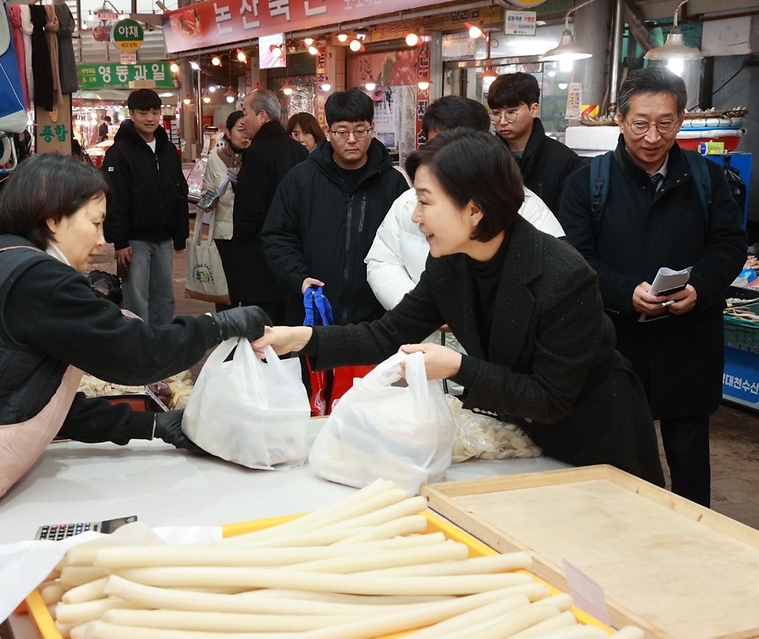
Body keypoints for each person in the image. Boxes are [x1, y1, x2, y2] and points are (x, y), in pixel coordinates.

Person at [0, 154, 271, 553]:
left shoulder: (4, 259)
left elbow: (34, 402)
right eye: (96, 222)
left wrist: (153, 424)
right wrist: (218, 325)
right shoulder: (40, 280)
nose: (102, 241)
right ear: (53, 218)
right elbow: (138, 355)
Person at [254, 128, 664, 485]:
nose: (415, 217)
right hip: (530, 436)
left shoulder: (562, 276)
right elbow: (387, 334)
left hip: (599, 436)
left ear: (474, 208)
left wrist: (457, 367)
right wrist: (296, 338)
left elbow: (551, 397)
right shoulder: (451, 263)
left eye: (425, 201)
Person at [557, 68, 747, 507]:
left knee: (690, 456)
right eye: (640, 123)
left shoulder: (705, 178)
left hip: (689, 339)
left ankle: (694, 538)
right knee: (619, 452)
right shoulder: (589, 182)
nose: (651, 136)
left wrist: (699, 286)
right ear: (620, 121)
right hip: (616, 341)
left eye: (665, 123)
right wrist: (625, 292)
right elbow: (574, 257)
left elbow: (729, 242)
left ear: (681, 121)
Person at [366, 96, 564, 317]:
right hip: (422, 341)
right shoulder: (409, 203)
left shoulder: (526, 209)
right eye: (434, 146)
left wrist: (469, 317)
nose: (440, 159)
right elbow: (382, 261)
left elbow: (545, 290)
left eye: (452, 149)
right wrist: (414, 303)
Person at [262, 88, 409, 327]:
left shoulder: (393, 183)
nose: (351, 140)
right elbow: (277, 236)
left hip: (376, 321)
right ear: (328, 132)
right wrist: (299, 278)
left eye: (360, 131)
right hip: (312, 313)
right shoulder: (301, 179)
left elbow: (407, 246)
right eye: (342, 132)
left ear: (372, 129)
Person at [101, 89, 188, 325]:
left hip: (163, 238)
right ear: (131, 114)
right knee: (136, 297)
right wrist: (120, 241)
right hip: (134, 241)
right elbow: (113, 198)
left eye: (155, 112)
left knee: (164, 296)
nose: (150, 118)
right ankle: (139, 345)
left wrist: (180, 234)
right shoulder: (119, 153)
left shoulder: (167, 150)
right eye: (143, 112)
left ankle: (161, 343)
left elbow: (179, 190)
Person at [231, 89, 309, 325]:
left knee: (264, 332)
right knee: (289, 329)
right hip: (294, 255)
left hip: (261, 255)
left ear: (262, 116)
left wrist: (239, 243)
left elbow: (250, 209)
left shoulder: (257, 152)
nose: (242, 120)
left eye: (245, 113)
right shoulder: (299, 150)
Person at [487, 73, 583, 212]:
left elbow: (569, 218)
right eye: (496, 113)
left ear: (534, 109)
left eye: (511, 112)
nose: (502, 121)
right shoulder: (486, 157)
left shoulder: (563, 160)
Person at [201, 110, 251, 311]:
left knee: (249, 290)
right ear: (228, 133)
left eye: (248, 129)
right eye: (240, 129)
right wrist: (215, 196)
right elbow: (204, 199)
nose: (245, 134)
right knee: (226, 293)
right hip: (224, 236)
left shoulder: (258, 156)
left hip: (250, 235)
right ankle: (227, 335)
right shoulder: (216, 159)